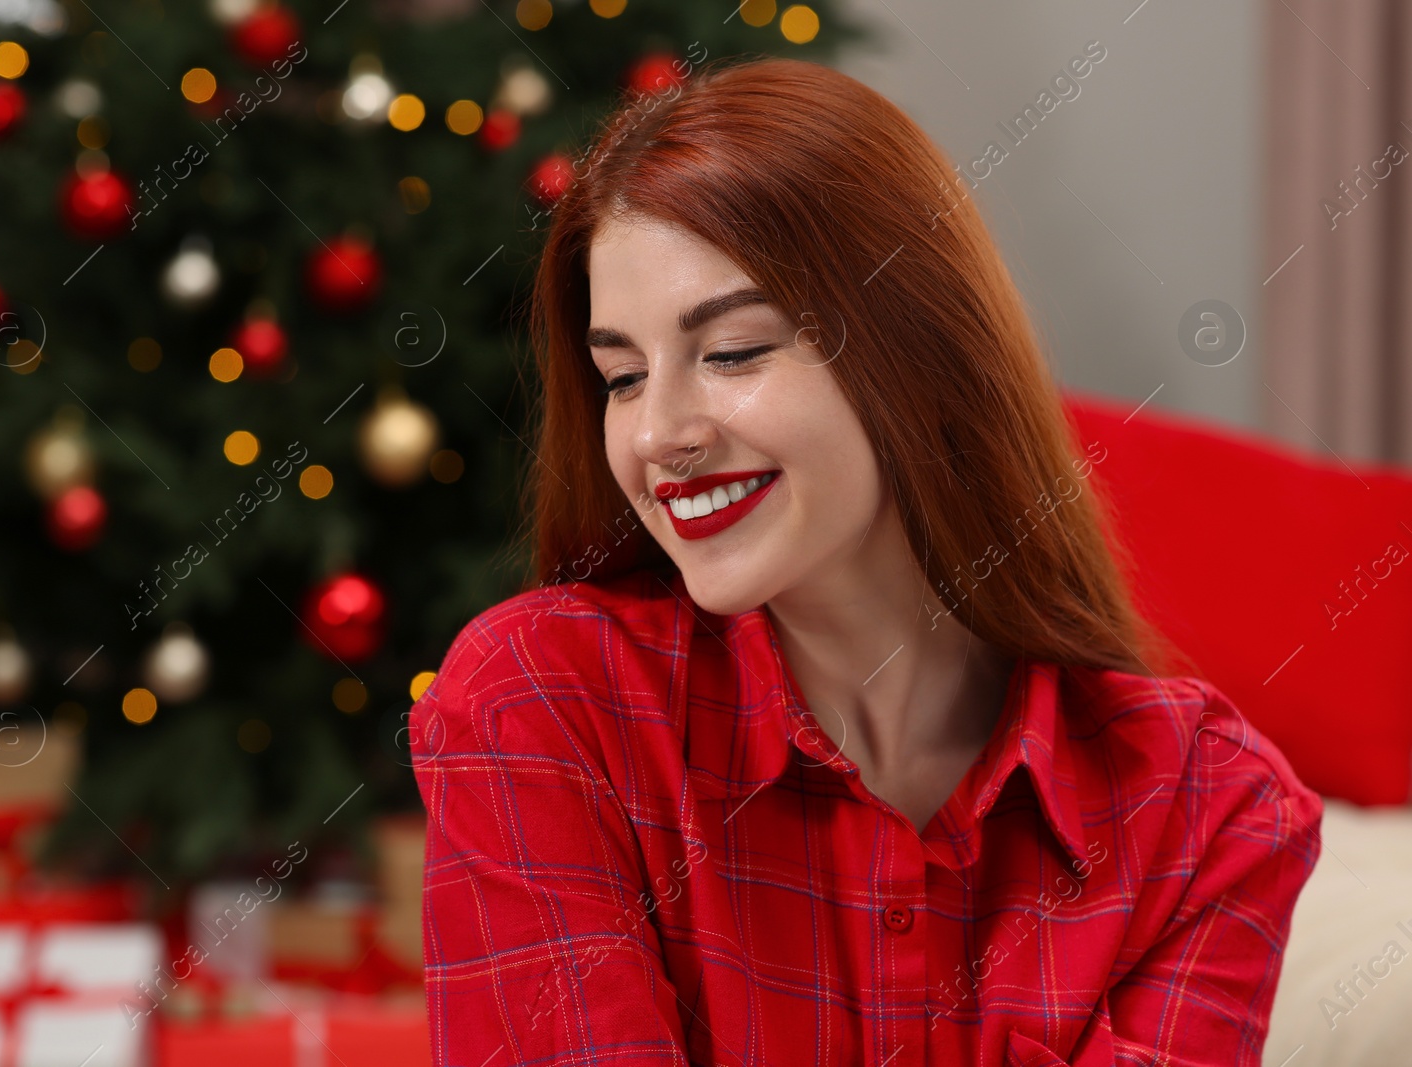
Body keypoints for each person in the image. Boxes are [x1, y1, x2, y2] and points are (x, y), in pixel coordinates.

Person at [408, 56, 1322, 1066]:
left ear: (917, 349)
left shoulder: (1206, 808)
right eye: (621, 375)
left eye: (734, 351)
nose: (658, 433)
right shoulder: (540, 703)